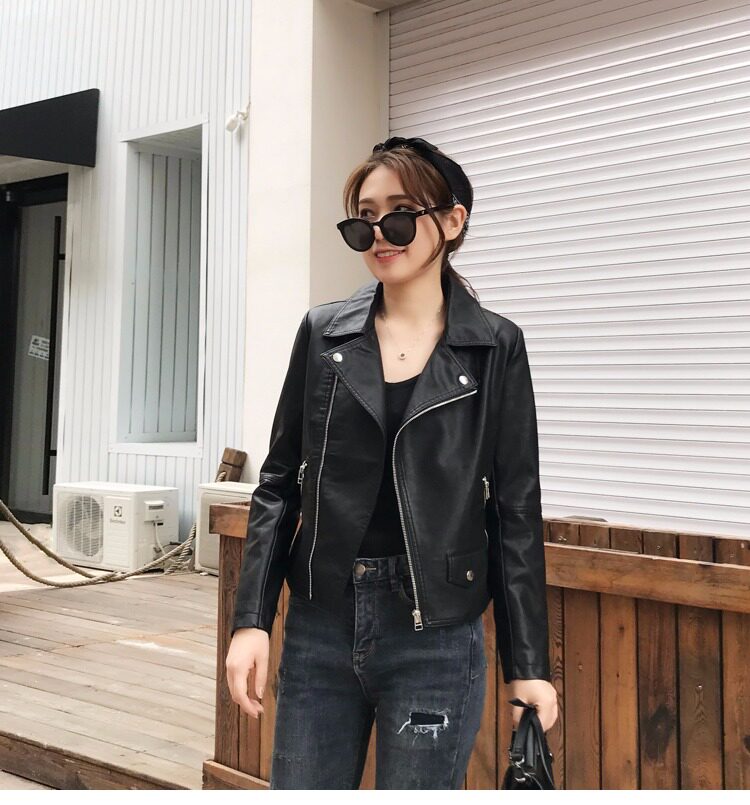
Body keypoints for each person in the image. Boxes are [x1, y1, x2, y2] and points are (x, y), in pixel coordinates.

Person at [225, 135, 559, 789]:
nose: (380, 233)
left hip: (435, 632)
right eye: (365, 218)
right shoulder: (323, 333)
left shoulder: (495, 347)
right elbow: (278, 483)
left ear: (453, 221)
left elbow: (516, 509)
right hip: (321, 622)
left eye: (401, 214)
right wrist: (251, 620)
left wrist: (528, 665)